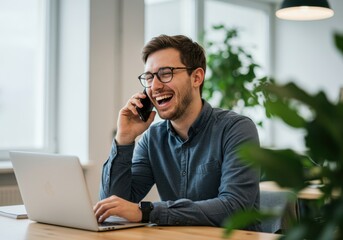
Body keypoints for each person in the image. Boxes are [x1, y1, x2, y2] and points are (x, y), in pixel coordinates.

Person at [93, 34, 261, 230]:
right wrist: (124, 139)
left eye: (166, 73)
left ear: (196, 77)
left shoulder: (236, 129)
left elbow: (235, 207)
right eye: (149, 77)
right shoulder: (152, 139)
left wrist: (146, 212)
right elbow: (112, 207)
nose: (155, 86)